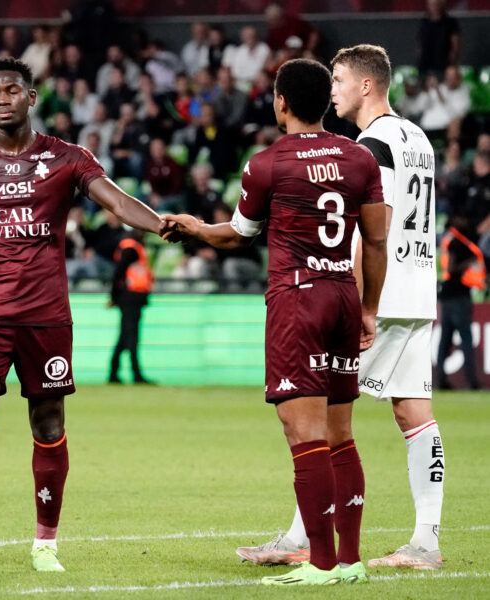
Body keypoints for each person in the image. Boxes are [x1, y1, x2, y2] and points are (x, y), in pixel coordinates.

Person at [0, 57, 164, 576]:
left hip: (46, 317)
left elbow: (118, 204)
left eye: (12, 90)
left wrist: (164, 225)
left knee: (48, 422)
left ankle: (45, 544)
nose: (3, 99)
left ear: (32, 98)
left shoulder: (68, 159)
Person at [165, 58, 387, 585]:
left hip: (298, 300)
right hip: (342, 294)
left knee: (303, 433)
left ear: (281, 102)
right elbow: (377, 241)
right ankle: (350, 560)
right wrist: (369, 308)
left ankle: (321, 563)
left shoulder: (267, 164)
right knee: (340, 434)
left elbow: (239, 235)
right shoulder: (359, 158)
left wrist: (195, 228)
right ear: (325, 102)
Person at [236, 43, 446, 573]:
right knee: (414, 413)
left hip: (377, 292)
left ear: (366, 85)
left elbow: (374, 229)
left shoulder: (371, 145)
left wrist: (355, 299)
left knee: (324, 422)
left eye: (339, 79)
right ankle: (426, 541)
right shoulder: (418, 137)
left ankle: (301, 539)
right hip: (420, 288)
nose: (332, 91)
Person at [436, 214, 485, 390]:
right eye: (461, 218)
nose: (465, 221)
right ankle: (472, 381)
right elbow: (452, 268)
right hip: (458, 296)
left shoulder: (452, 240)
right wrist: (469, 262)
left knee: (446, 339)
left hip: (448, 295)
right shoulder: (457, 243)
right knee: (465, 338)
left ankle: (441, 380)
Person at [108, 231, 153, 384]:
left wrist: (114, 297)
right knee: (131, 337)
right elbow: (119, 272)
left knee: (125, 336)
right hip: (131, 297)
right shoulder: (131, 248)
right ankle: (135, 374)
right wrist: (114, 296)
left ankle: (114, 373)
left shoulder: (130, 247)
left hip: (131, 297)